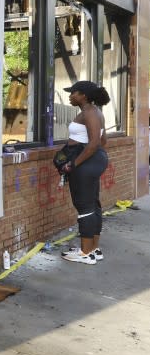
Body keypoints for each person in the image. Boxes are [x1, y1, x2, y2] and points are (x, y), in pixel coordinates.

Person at [59, 80, 110, 265]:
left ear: (84, 96)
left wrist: (73, 163)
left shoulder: (90, 113)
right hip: (92, 161)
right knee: (93, 204)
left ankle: (85, 252)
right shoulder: (93, 112)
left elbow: (95, 142)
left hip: (86, 162)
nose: (70, 95)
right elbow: (103, 140)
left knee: (84, 206)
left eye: (73, 92)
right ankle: (93, 249)